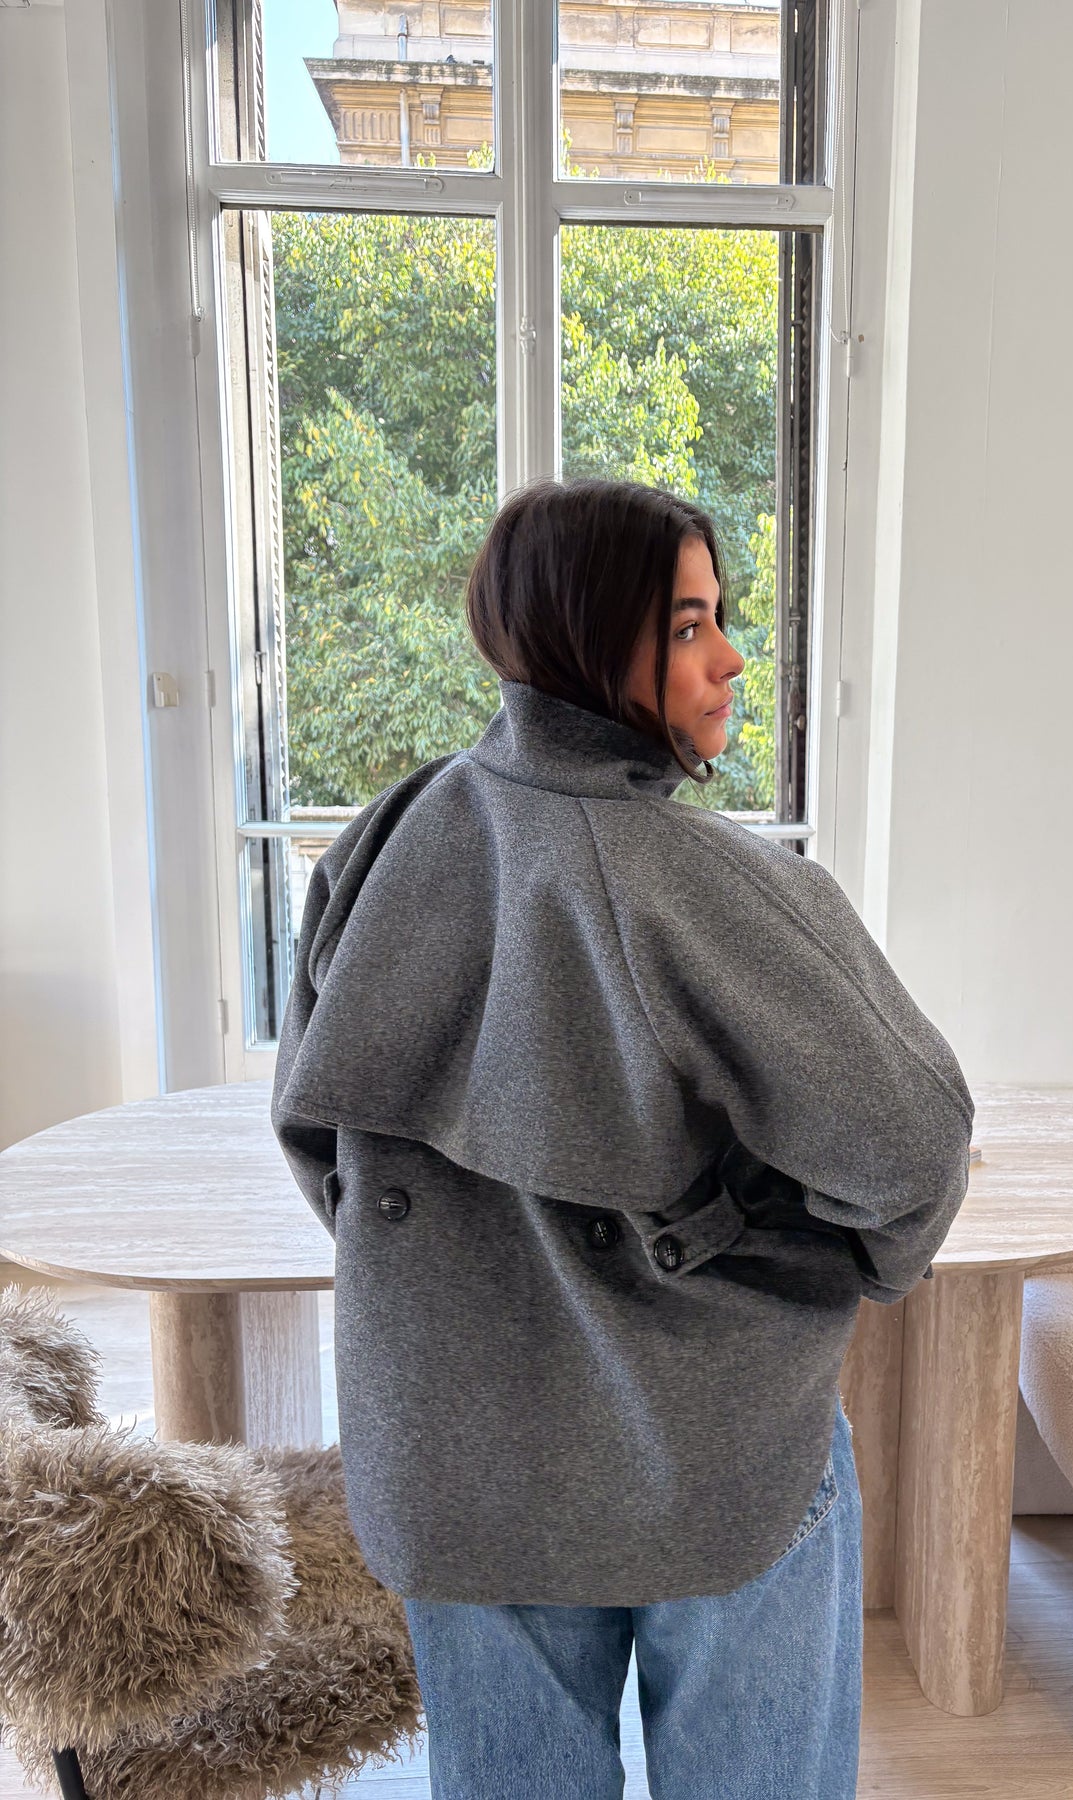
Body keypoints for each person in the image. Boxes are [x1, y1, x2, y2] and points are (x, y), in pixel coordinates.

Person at [270, 476, 974, 1799]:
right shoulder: (722, 886)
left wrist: (458, 1282)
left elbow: (322, 1142)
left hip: (456, 1463)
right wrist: (777, 1256)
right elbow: (913, 1148)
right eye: (690, 626)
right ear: (590, 640)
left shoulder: (380, 842)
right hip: (712, 1453)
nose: (732, 659)